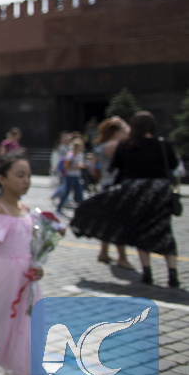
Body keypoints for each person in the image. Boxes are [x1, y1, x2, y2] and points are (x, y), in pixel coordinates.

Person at [0, 155, 82, 375]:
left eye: (28, 175)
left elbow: (30, 249)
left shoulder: (26, 209)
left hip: (27, 287)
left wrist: (37, 267)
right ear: (2, 179)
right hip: (1, 285)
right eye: (19, 175)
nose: (26, 180)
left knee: (35, 343)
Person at [70, 111, 179, 288]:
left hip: (136, 193)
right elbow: (173, 165)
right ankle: (172, 273)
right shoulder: (162, 144)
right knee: (165, 230)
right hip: (160, 193)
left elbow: (117, 168)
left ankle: (147, 271)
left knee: (142, 230)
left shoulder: (127, 146)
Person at [92, 117, 133, 269]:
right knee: (119, 222)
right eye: (123, 130)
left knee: (109, 221)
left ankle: (103, 252)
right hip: (113, 186)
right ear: (116, 132)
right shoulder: (113, 145)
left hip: (107, 185)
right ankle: (122, 257)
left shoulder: (105, 145)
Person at [56, 138, 86, 214]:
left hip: (76, 176)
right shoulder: (70, 155)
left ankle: (83, 209)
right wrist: (77, 167)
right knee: (66, 192)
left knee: (79, 192)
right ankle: (59, 207)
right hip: (70, 176)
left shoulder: (79, 155)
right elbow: (67, 167)